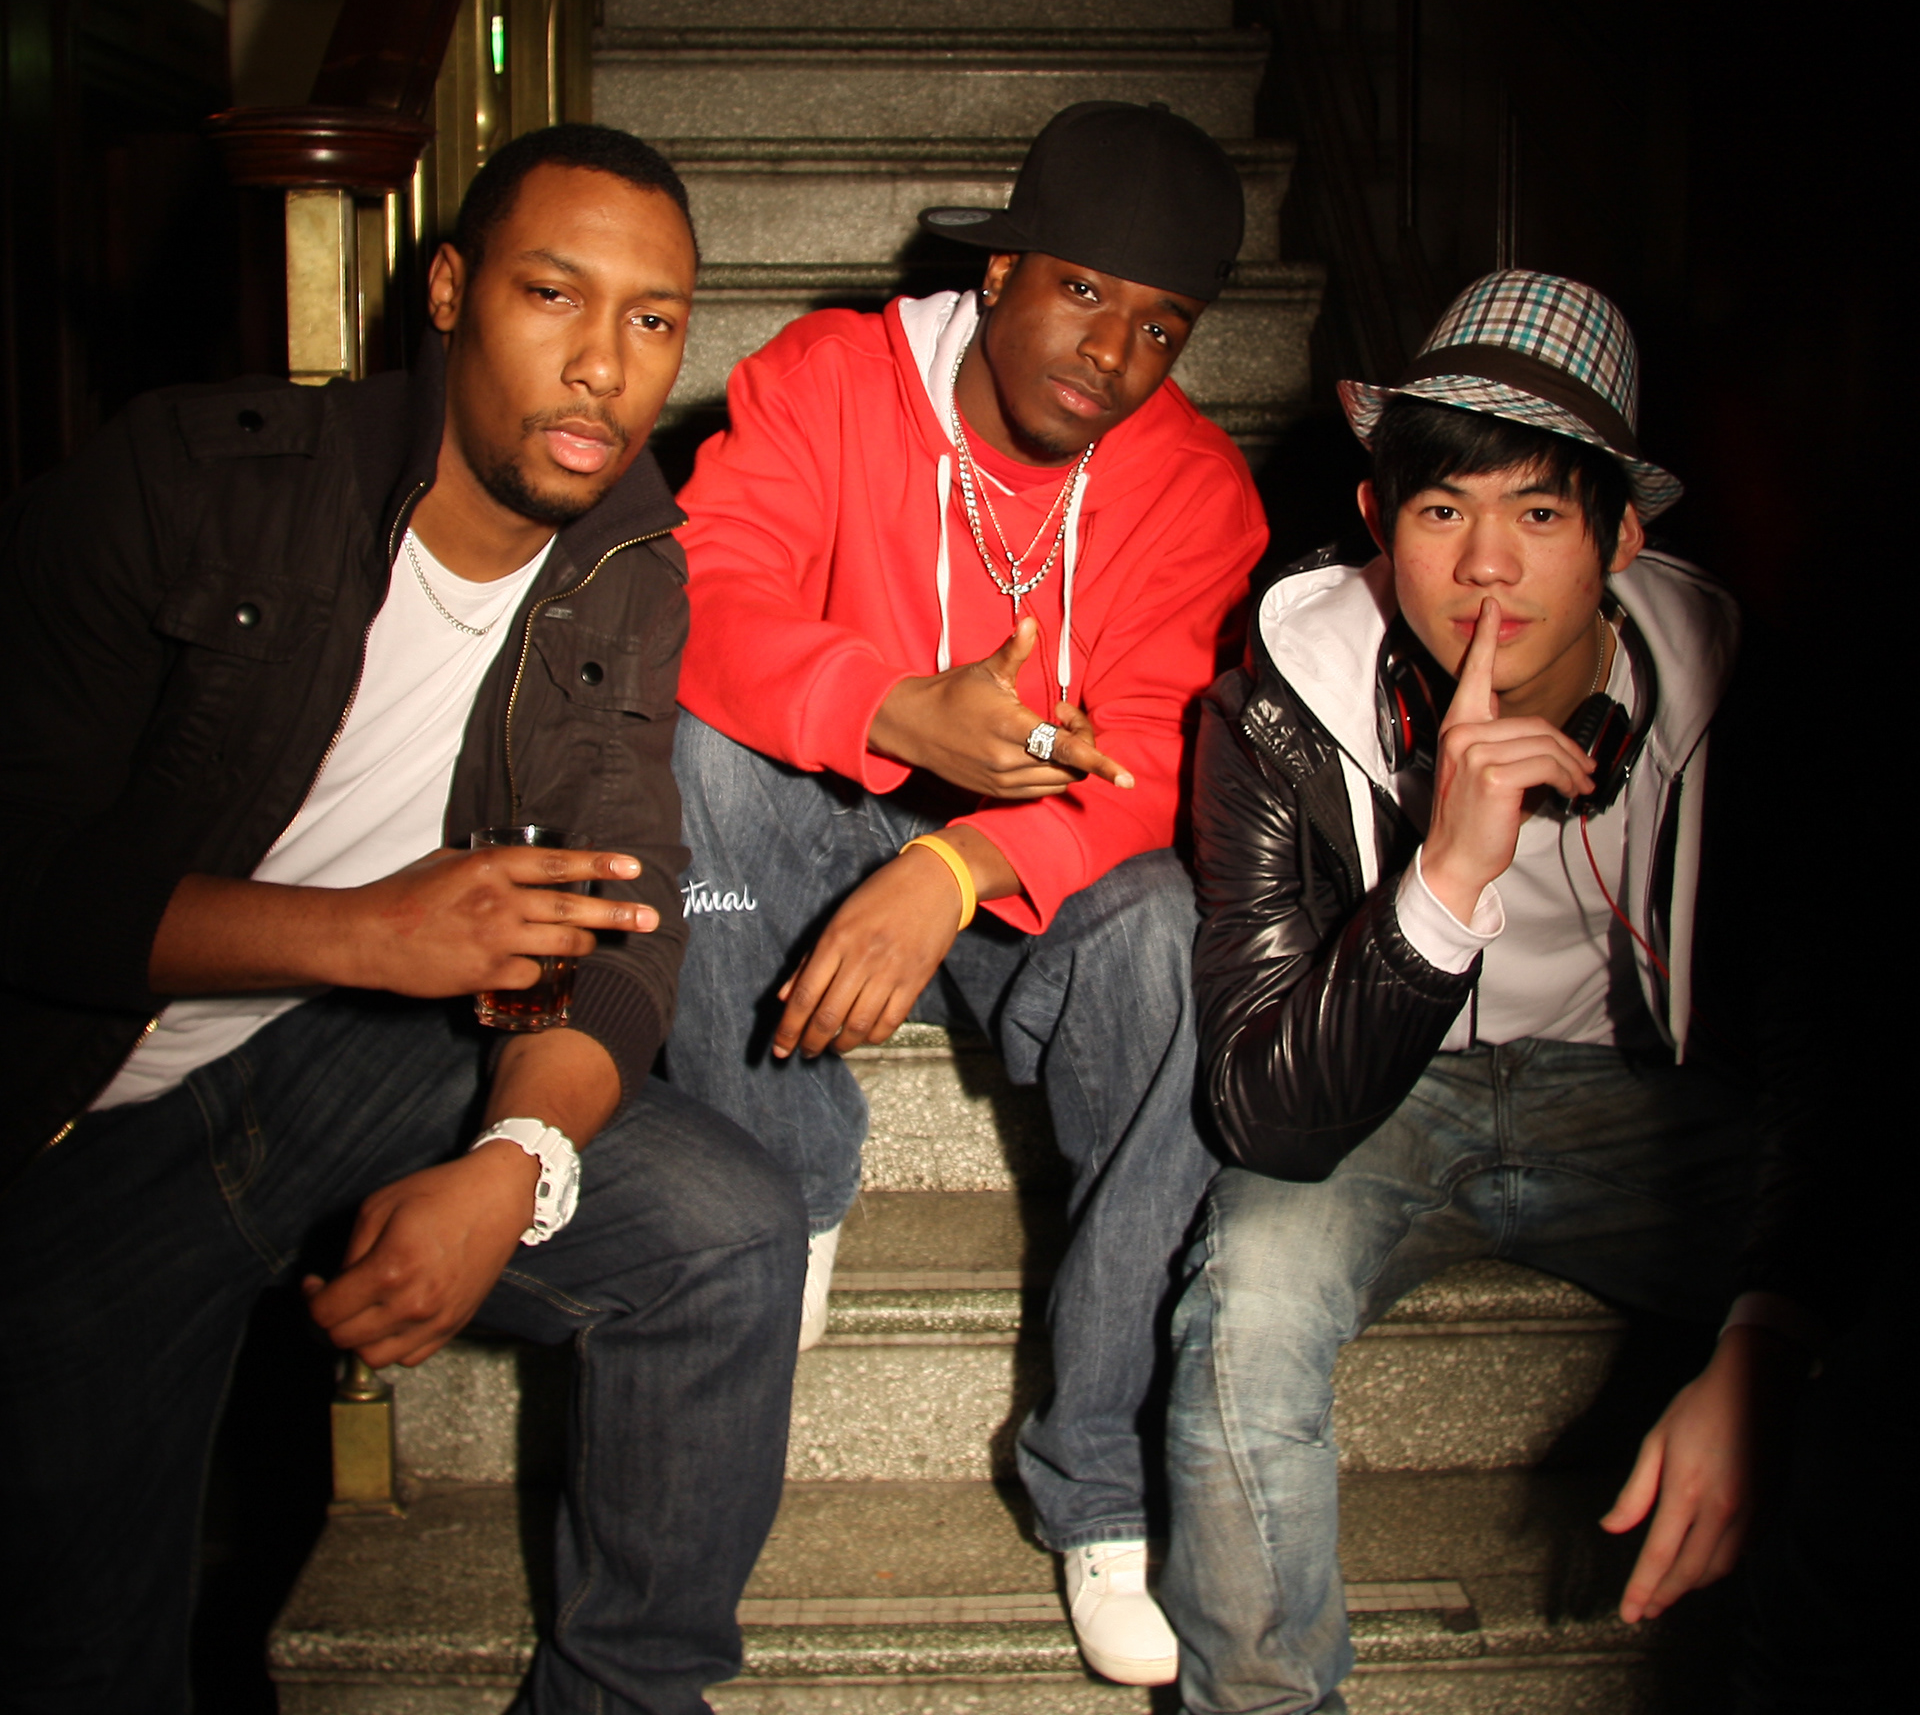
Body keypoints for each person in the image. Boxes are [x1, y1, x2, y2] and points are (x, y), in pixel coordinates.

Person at [0, 124, 806, 1715]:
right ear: (447, 292)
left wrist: (517, 1161)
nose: (604, 367)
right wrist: (365, 935)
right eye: (552, 294)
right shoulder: (195, 483)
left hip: (342, 1067)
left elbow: (629, 919)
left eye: (653, 319)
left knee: (728, 1228)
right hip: (79, 1127)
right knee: (88, 1658)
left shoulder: (628, 559)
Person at [664, 100, 1268, 1686]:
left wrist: (955, 861)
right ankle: (781, 1188)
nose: (1113, 354)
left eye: (1162, 325)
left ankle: (1099, 1475)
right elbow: (706, 594)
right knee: (698, 754)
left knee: (1174, 935)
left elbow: (1163, 751)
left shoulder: (1197, 487)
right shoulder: (825, 380)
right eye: (1083, 292)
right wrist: (888, 709)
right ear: (999, 273)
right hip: (808, 848)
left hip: (1022, 904)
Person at [1160, 271, 1822, 1712]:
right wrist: (1444, 883)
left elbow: (1827, 1058)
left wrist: (1767, 1340)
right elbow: (1265, 1113)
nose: (1485, 570)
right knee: (1245, 1301)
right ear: (1378, 520)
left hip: (1653, 1109)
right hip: (1387, 1098)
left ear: (1623, 535)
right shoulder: (1282, 699)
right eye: (1441, 511)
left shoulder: (1742, 694)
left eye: (1539, 514)